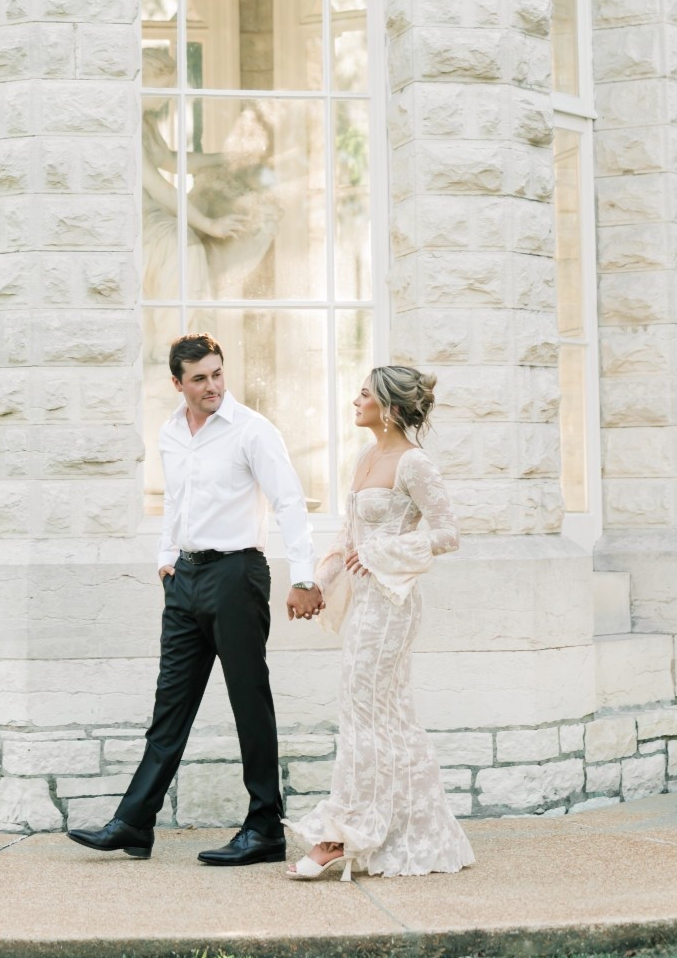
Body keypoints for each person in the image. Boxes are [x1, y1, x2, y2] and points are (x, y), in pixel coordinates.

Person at [67, 332, 324, 866]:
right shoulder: (169, 433)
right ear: (177, 383)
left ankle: (264, 829)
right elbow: (175, 502)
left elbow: (290, 503)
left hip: (236, 575)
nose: (212, 386)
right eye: (199, 378)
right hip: (184, 579)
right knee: (169, 706)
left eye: (217, 374)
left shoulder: (252, 431)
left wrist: (302, 577)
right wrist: (166, 557)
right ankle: (135, 823)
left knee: (249, 702)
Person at [287, 364, 475, 881]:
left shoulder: (415, 463)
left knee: (367, 711)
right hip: (363, 605)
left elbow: (447, 534)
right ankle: (403, 830)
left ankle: (339, 837)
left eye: (364, 395)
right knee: (377, 714)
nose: (356, 401)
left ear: (389, 407)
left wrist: (383, 550)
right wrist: (316, 586)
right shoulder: (367, 457)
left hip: (392, 606)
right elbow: (348, 540)